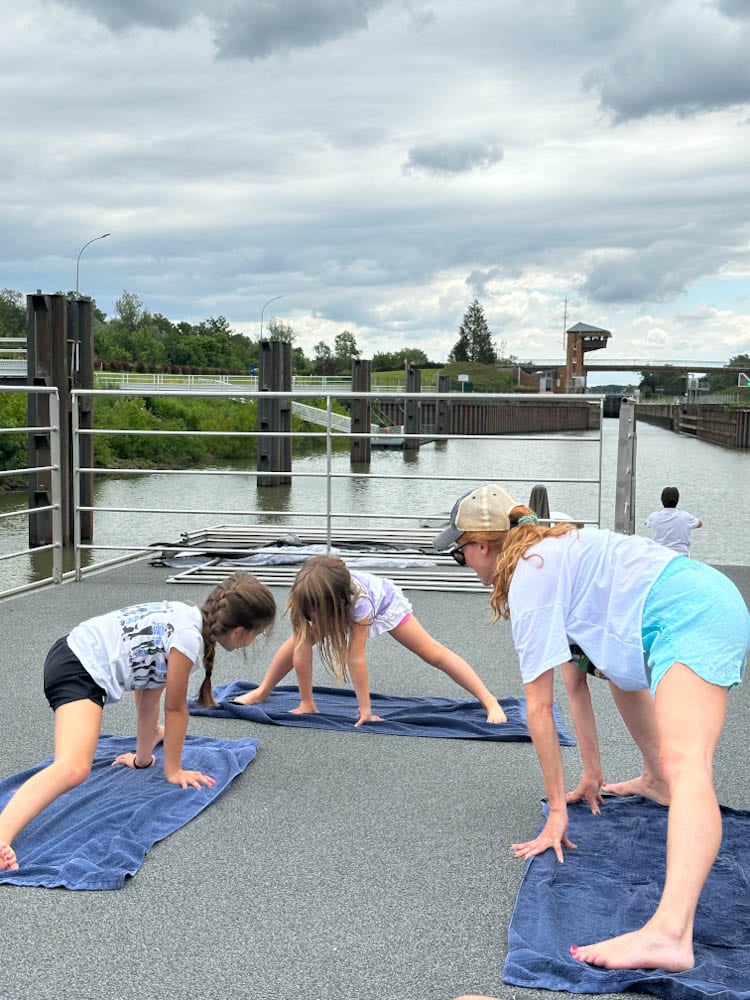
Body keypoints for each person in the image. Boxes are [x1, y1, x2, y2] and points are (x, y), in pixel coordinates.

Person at [434, 484, 749, 972]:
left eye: (460, 555)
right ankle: (656, 781)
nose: (468, 567)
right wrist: (589, 776)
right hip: (683, 603)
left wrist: (557, 813)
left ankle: (670, 934)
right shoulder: (558, 549)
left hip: (692, 614)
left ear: (481, 546)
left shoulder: (530, 575)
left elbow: (539, 709)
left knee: (688, 761)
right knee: (622, 674)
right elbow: (576, 680)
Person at [0, 572, 276, 873]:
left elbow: (148, 695)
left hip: (73, 655)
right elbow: (175, 709)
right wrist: (174, 771)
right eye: (257, 633)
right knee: (73, 767)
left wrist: (143, 758)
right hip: (77, 669)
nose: (254, 640)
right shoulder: (188, 639)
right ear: (238, 631)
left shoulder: (183, 617)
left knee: (76, 764)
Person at [233, 554, 507, 727]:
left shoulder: (361, 603)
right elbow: (302, 650)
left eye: (317, 611)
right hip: (333, 603)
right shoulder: (304, 596)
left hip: (384, 602)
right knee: (298, 640)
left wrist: (365, 709)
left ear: (334, 603)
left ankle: (489, 700)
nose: (312, 616)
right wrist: (307, 703)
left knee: (432, 653)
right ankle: (264, 690)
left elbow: (356, 657)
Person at [646, 486, 702, 555]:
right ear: (677, 500)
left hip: (659, 555)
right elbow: (700, 524)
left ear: (661, 499)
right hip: (680, 555)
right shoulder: (685, 516)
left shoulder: (653, 516)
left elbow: (647, 523)